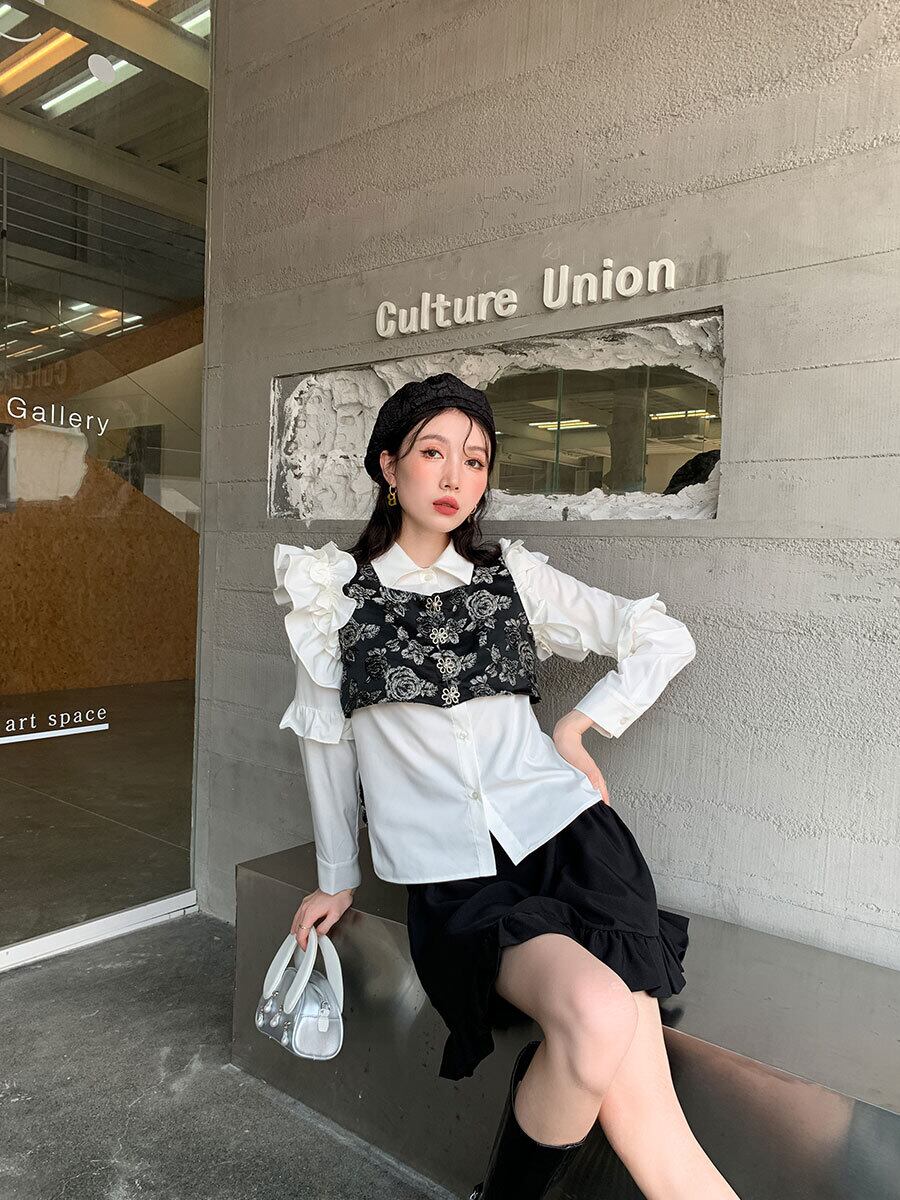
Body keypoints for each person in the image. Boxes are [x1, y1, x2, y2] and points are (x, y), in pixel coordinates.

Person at [273, 372, 740, 1200]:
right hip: (459, 880)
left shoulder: (513, 578)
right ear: (389, 466)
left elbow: (661, 637)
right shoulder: (330, 597)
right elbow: (327, 744)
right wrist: (337, 878)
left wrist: (577, 727)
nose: (455, 477)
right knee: (600, 1018)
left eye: (476, 460)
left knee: (657, 1128)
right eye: (432, 453)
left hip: (573, 845)